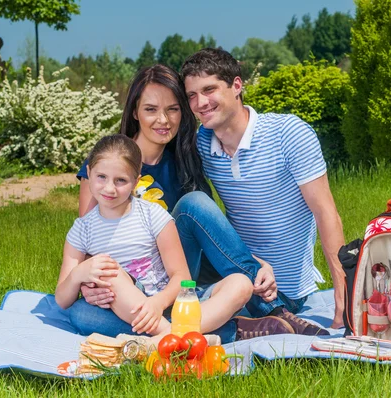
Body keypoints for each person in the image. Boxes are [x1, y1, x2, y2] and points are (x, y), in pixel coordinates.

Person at [71, 65, 306, 342]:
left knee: (195, 202)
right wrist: (87, 283)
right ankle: (224, 329)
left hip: (175, 281)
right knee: (81, 315)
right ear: (135, 112)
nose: (163, 120)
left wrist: (256, 264)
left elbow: (207, 229)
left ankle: (270, 309)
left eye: (173, 109)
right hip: (126, 288)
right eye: (150, 110)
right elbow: (87, 234)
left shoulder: (185, 161)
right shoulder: (105, 165)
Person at [180, 48, 346, 328]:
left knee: (193, 203)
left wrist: (343, 303)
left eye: (209, 89)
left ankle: (270, 313)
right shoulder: (201, 144)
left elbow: (326, 213)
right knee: (191, 205)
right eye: (192, 95)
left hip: (283, 291)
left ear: (236, 86)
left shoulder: (287, 134)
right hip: (235, 278)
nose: (200, 103)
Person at [56, 134, 254, 340]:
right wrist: (79, 273)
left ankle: (167, 338)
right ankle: (188, 335)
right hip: (128, 311)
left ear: (135, 181)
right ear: (89, 173)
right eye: (101, 177)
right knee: (83, 309)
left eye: (121, 180)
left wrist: (158, 303)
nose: (109, 188)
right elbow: (62, 299)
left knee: (241, 284)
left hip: (169, 301)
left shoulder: (153, 215)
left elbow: (182, 277)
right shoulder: (82, 230)